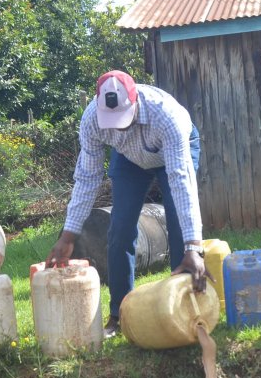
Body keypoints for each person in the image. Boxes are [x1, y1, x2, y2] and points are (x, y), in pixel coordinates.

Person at [46, 70, 207, 338]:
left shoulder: (165, 115)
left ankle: (184, 311)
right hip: (128, 159)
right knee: (119, 229)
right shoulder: (91, 121)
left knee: (178, 224)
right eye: (112, 122)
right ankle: (121, 315)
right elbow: (87, 178)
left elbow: (182, 183)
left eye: (122, 118)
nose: (118, 127)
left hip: (170, 154)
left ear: (135, 101)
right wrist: (69, 235)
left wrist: (194, 246)